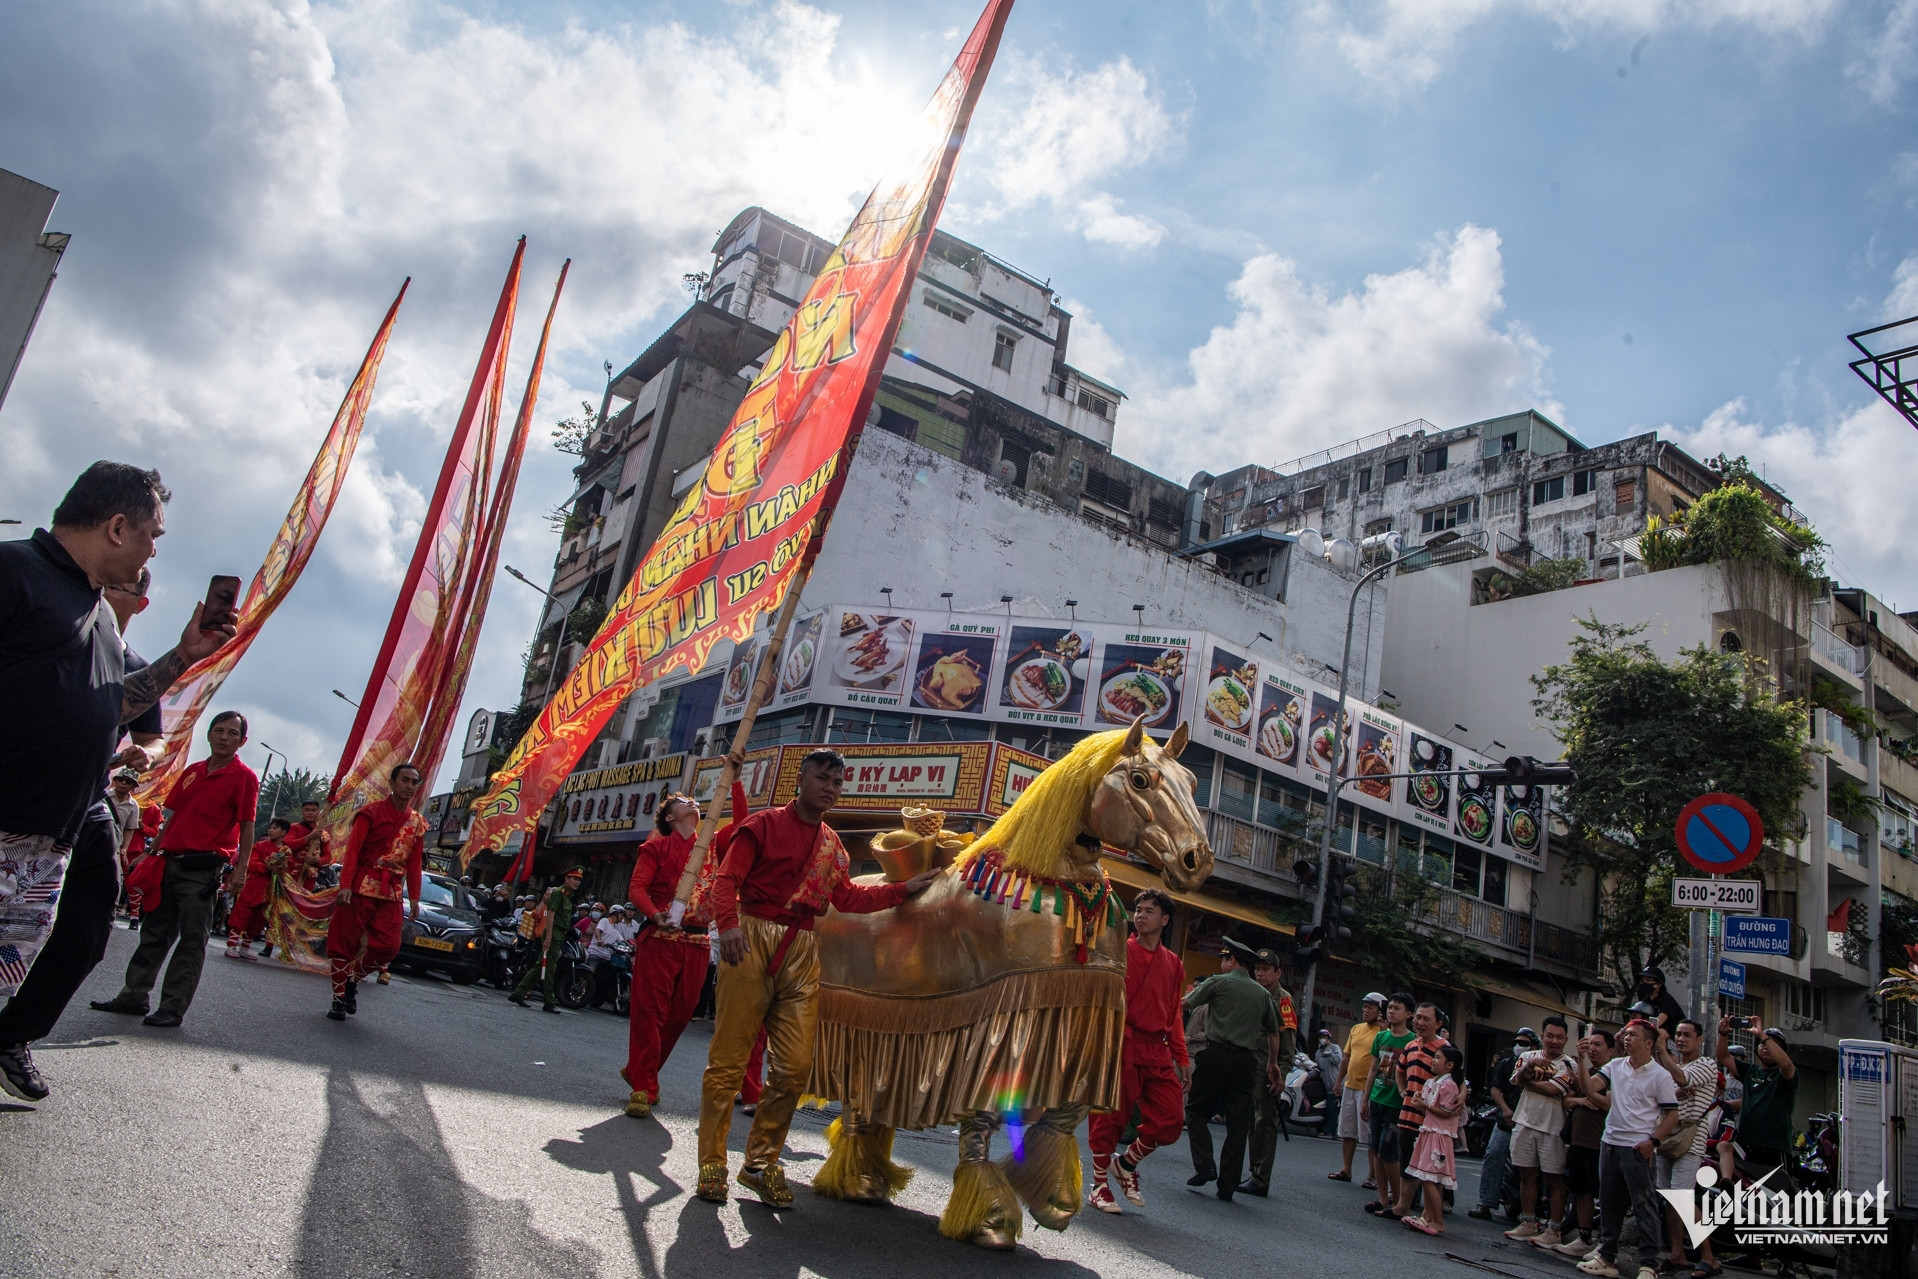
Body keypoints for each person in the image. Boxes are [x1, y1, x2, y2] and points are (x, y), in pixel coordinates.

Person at [0, 462, 230, 998]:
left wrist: (183, 656)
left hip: (47, 844)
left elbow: (110, 706)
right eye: (153, 536)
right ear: (118, 527)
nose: (153, 550)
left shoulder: (99, 615)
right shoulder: (13, 571)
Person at [696, 748, 937, 1207]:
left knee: (794, 1069)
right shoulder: (761, 826)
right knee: (728, 1062)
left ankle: (760, 1163)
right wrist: (727, 925)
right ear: (801, 781)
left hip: (803, 949)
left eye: (837, 782)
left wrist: (903, 890)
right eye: (822, 777)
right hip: (750, 938)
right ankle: (712, 1162)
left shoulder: (833, 846)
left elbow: (847, 899)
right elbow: (726, 881)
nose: (830, 787)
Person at [0, 562, 173, 1101]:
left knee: (91, 920)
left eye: (114, 587)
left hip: (87, 800)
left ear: (138, 601)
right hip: (20, 792)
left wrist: (148, 752)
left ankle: (14, 1034)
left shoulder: (135, 665)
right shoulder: (52, 628)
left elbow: (153, 734)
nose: (99, 593)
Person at [90, 711, 258, 1028]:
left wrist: (241, 871)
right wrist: (150, 853)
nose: (224, 737)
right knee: (154, 933)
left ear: (242, 741)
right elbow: (173, 817)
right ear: (209, 735)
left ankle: (172, 1008)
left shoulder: (245, 777)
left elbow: (247, 827)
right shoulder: (193, 771)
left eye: (232, 733)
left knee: (192, 940)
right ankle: (133, 997)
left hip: (203, 870)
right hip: (168, 861)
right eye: (219, 730)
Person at [1087, 889, 1190, 1214]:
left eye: (1149, 911)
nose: (1141, 915)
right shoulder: (1120, 950)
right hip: (1122, 1040)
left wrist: (1181, 1056)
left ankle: (1127, 1164)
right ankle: (1099, 1184)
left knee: (1171, 1119)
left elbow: (1174, 1013)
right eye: (1139, 909)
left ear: (1165, 919)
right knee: (1110, 1116)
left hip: (1156, 1047)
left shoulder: (1174, 964)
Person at [622, 791, 716, 1119]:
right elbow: (637, 888)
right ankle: (644, 1086)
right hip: (661, 937)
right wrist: (652, 913)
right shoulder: (656, 847)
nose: (691, 801)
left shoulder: (712, 847)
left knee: (679, 1015)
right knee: (651, 1013)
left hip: (698, 943)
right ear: (670, 817)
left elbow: (744, 823)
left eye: (693, 800)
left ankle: (639, 1070)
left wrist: (735, 784)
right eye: (682, 801)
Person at [1576, 1019, 1680, 1279]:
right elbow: (1589, 1088)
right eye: (1626, 1034)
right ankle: (1607, 1257)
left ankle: (1649, 1264)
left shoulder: (1660, 1075)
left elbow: (1671, 1115)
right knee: (1609, 1203)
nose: (1626, 1038)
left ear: (1648, 1042)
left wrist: (1652, 1142)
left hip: (1638, 1146)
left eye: (1632, 1035)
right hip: (1610, 1142)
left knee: (1644, 1204)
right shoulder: (1615, 1066)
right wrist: (1580, 1060)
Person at [1181, 936, 1281, 1201]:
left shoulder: (1218, 982)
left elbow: (1184, 1004)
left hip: (1215, 1055)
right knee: (1238, 1124)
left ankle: (1205, 1166)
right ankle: (1228, 1185)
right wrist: (1272, 1063)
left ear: (1232, 960)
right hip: (1246, 1062)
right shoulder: (1262, 993)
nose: (1222, 963)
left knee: (1195, 1111)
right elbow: (1274, 1032)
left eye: (1224, 958)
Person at [323, 763, 425, 1020]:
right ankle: (338, 998)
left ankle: (353, 979)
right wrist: (345, 885)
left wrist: (414, 896)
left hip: (390, 892)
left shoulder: (417, 822)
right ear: (391, 783)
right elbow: (353, 851)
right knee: (343, 944)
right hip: (359, 887)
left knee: (388, 947)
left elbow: (414, 862)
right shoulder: (370, 813)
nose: (409, 786)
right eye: (404, 780)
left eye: (414, 782)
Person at [1659, 1020, 1723, 1279]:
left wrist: (1662, 1052)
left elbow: (1683, 1080)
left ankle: (1709, 1257)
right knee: (1669, 1199)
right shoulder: (1673, 1066)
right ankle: (1677, 1253)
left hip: (1690, 1139)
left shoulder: (1706, 1064)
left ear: (1699, 1040)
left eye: (1687, 1034)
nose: (1681, 1039)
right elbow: (1662, 1095)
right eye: (1678, 1034)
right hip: (1665, 1137)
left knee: (1682, 1198)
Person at [1506, 1015, 1577, 1246]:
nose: (1554, 1041)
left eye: (1559, 1037)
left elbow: (1553, 1089)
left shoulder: (1569, 1064)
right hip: (1525, 1121)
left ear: (1566, 1039)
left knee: (1554, 1180)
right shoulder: (1527, 1057)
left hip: (1553, 1128)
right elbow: (1515, 1078)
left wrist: (1526, 1080)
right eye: (1550, 1036)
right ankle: (1528, 1223)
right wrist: (1528, 1068)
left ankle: (1554, 1229)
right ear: (1543, 1036)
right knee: (1526, 1174)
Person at [1555, 1029, 1615, 1258]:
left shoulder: (1613, 1075)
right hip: (1578, 1141)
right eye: (1590, 1045)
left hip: (1601, 1143)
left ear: (1610, 1050)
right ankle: (1583, 1236)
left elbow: (1608, 1103)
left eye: (1598, 1045)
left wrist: (1588, 1096)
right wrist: (1581, 1099)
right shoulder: (1585, 1072)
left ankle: (1606, 1243)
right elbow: (1566, 1100)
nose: (1593, 1049)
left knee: (1606, 1195)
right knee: (1581, 1191)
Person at [1714, 1017, 1796, 1184]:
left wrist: (1762, 1034)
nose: (1766, 1046)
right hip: (1746, 1143)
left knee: (1779, 1195)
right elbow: (1723, 1056)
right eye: (1762, 1044)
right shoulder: (1751, 1071)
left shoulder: (1785, 1074)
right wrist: (1723, 1033)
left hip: (1775, 1146)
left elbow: (1786, 1064)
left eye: (1773, 1044)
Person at [1468, 1026, 1537, 1221]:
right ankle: (1485, 1203)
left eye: (1524, 1043)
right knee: (1493, 1154)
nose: (1519, 1047)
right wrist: (1506, 1110)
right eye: (1516, 1043)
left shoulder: (1541, 1066)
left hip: (1530, 1122)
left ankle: (1530, 1212)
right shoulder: (1506, 1065)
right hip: (1506, 1121)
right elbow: (1496, 1089)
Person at [1245, 947, 1298, 1197]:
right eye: (1257, 969)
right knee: (1250, 1124)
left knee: (1264, 1124)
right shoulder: (1254, 992)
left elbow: (1287, 1041)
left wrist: (1282, 1073)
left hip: (1269, 1068)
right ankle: (1252, 1171)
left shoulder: (1282, 999)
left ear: (1278, 973)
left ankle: (1260, 1177)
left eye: (1265, 970)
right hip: (1250, 1063)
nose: (1260, 974)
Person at [1391, 1002, 1450, 1218]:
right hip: (1408, 1115)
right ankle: (1401, 1207)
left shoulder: (1445, 1050)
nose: (1420, 1023)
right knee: (1407, 1163)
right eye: (1418, 1018)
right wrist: (1402, 1090)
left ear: (1439, 1023)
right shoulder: (1411, 1046)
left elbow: (1456, 1082)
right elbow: (1400, 1070)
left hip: (1432, 1121)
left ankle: (1430, 1215)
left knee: (1432, 1168)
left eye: (1426, 1019)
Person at [1403, 1043, 1467, 1235]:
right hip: (1429, 1131)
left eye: (1438, 1058)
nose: (1433, 1060)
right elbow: (1426, 1106)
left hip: (1439, 1136)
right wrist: (1420, 1103)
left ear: (1450, 1065)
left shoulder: (1449, 1085)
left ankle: (1437, 1220)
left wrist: (1426, 1106)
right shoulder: (1432, 1082)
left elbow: (1446, 1112)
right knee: (1431, 1178)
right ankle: (1428, 1217)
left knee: (1430, 1179)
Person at [1362, 992, 1416, 1217]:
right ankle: (1383, 1198)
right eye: (1390, 1007)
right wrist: (1365, 1098)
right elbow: (1373, 1069)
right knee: (1375, 1148)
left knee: (1388, 1152)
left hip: (1396, 1103)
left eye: (1397, 1008)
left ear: (1409, 1014)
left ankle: (1399, 1199)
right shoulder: (1381, 1037)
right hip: (1377, 1099)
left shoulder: (1412, 1042)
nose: (1392, 1011)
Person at [511, 867, 584, 1013]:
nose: (576, 882)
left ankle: (518, 993)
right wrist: (549, 937)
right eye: (574, 878)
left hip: (560, 933)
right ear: (566, 879)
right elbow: (550, 915)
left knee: (540, 967)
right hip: (553, 932)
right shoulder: (558, 893)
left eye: (579, 880)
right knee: (550, 968)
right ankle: (549, 1001)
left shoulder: (569, 895)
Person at [1333, 993, 1386, 1185]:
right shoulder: (1356, 1028)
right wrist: (1339, 1081)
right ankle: (1346, 1169)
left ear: (1380, 1010)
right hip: (1350, 1084)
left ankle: (1373, 1176)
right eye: (1364, 1007)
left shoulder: (1383, 1033)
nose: (1366, 1010)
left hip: (1369, 1088)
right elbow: (1346, 1056)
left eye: (1371, 1007)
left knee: (1370, 1135)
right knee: (1348, 1131)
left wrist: (1385, 1028)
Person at [224, 818, 291, 960]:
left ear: (284, 832)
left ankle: (245, 947)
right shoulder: (261, 846)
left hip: (270, 891)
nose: (271, 830)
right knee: (241, 916)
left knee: (258, 920)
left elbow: (287, 870)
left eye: (275, 828)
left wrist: (282, 867)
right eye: (270, 827)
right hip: (253, 887)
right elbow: (251, 863)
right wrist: (266, 866)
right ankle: (232, 944)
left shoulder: (286, 851)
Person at [1634, 967, 1686, 1034]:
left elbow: (1658, 1021)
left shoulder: (1665, 998)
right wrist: (1623, 1031)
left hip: (1675, 1030)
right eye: (1642, 981)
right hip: (1658, 1028)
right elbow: (1637, 1018)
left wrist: (1644, 1031)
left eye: (1648, 980)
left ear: (1658, 984)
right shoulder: (1646, 1000)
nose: (1643, 983)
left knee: (1659, 1034)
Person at [1315, 1028, 1345, 1136]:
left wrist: (1329, 1051)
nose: (1323, 1040)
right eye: (1321, 1037)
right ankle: (1328, 1129)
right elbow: (1317, 1067)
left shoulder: (1335, 1048)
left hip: (1337, 1085)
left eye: (1325, 1037)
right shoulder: (1318, 1052)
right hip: (1327, 1086)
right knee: (1329, 1108)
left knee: (1335, 1109)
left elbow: (1337, 1060)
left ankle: (1332, 1130)